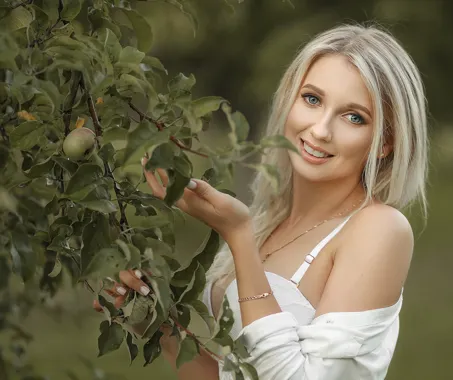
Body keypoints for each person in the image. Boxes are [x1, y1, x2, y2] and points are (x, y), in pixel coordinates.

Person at [97, 23, 428, 379]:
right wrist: (158, 326)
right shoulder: (270, 219)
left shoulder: (378, 229)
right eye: (312, 99)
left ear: (385, 142)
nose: (320, 130)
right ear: (289, 99)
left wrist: (237, 236)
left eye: (353, 117)